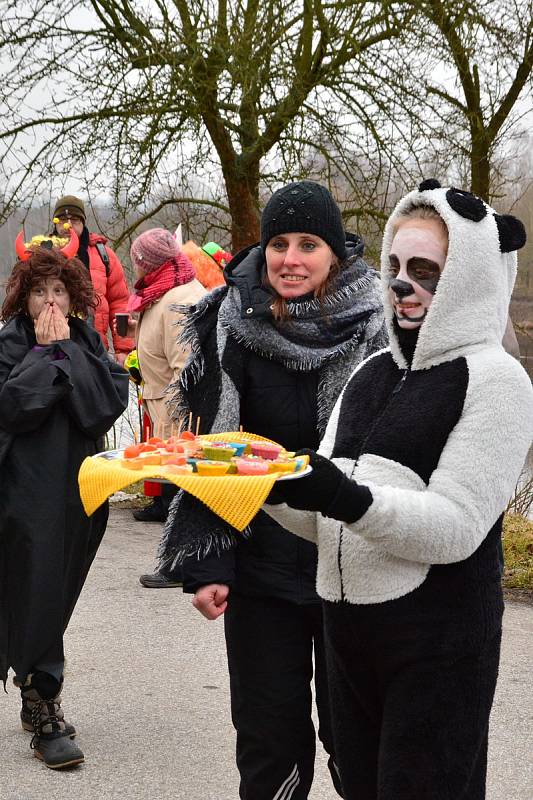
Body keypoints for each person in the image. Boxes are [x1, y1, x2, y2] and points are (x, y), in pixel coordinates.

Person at [263, 180, 533, 799]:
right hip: (348, 639)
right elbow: (327, 516)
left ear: (465, 277)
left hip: (438, 644)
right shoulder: (369, 373)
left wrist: (341, 495)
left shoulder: (497, 381)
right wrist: (261, 486)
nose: (402, 284)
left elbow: (456, 525)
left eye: (425, 270)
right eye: (393, 267)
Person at [158, 181, 388, 799]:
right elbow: (209, 455)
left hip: (353, 569)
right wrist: (209, 564)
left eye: (308, 244)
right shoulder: (226, 325)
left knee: (358, 738)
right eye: (278, 243)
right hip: (262, 571)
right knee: (268, 740)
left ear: (334, 254)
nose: (290, 258)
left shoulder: (381, 328)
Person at [0, 235, 129, 769]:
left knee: (54, 590)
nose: (49, 303)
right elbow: (13, 406)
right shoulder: (8, 344)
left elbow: (107, 403)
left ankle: (36, 687)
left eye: (59, 291)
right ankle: (43, 700)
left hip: (77, 492)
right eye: (39, 292)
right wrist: (44, 354)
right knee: (27, 587)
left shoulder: (87, 342)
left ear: (75, 297)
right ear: (22, 298)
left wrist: (65, 352)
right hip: (19, 491)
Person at [113, 228, 206, 575]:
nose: (135, 269)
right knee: (174, 494)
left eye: (137, 262)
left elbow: (187, 366)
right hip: (163, 404)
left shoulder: (178, 299)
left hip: (177, 413)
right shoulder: (163, 289)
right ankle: (176, 560)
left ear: (148, 263)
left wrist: (183, 425)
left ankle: (178, 566)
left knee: (183, 496)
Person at [52, 195, 134, 363]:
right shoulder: (42, 254)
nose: (68, 225)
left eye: (74, 220)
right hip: (52, 347)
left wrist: (123, 348)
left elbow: (119, 303)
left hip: (96, 348)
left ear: (83, 222)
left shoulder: (104, 255)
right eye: (62, 220)